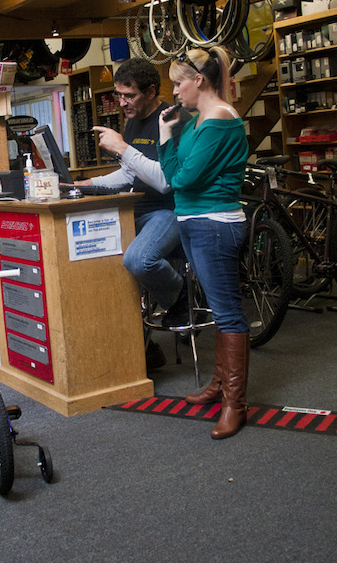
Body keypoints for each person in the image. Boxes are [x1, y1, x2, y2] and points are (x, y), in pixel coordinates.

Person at [158, 47, 249, 439]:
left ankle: (235, 403)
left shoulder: (218, 124)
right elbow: (179, 175)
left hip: (215, 224)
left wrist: (165, 139)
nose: (175, 91)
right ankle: (219, 385)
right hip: (196, 222)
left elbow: (180, 179)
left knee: (227, 313)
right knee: (216, 306)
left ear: (200, 80)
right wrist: (172, 136)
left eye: (179, 83)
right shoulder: (197, 122)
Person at [77, 58, 192, 368]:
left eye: (129, 96)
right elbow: (129, 175)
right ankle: (145, 346)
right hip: (136, 209)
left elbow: (166, 181)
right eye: (119, 95)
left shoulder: (174, 119)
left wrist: (123, 148)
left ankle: (182, 295)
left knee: (137, 260)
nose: (122, 102)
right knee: (100, 264)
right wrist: (86, 184)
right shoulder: (133, 120)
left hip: (169, 210)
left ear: (151, 91)